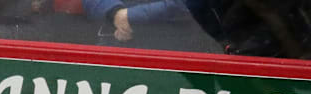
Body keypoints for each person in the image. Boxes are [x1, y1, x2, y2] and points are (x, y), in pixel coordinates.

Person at [82, 0, 220, 52]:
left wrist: (131, 17)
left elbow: (189, 5)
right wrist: (114, 13)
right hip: (116, 44)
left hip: (179, 53)